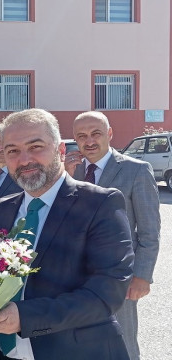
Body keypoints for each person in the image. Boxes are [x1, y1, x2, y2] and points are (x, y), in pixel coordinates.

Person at [0, 108, 134, 360]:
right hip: (6, 352)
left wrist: (25, 317)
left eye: (35, 146)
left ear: (60, 150)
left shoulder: (100, 203)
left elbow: (108, 292)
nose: (24, 159)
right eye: (13, 150)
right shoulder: (2, 209)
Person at [66, 111, 160, 360]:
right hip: (74, 276)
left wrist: (142, 275)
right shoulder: (70, 171)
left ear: (109, 133)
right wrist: (64, 175)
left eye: (96, 133)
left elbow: (149, 231)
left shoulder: (136, 170)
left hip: (119, 277)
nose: (89, 141)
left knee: (121, 342)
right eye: (81, 136)